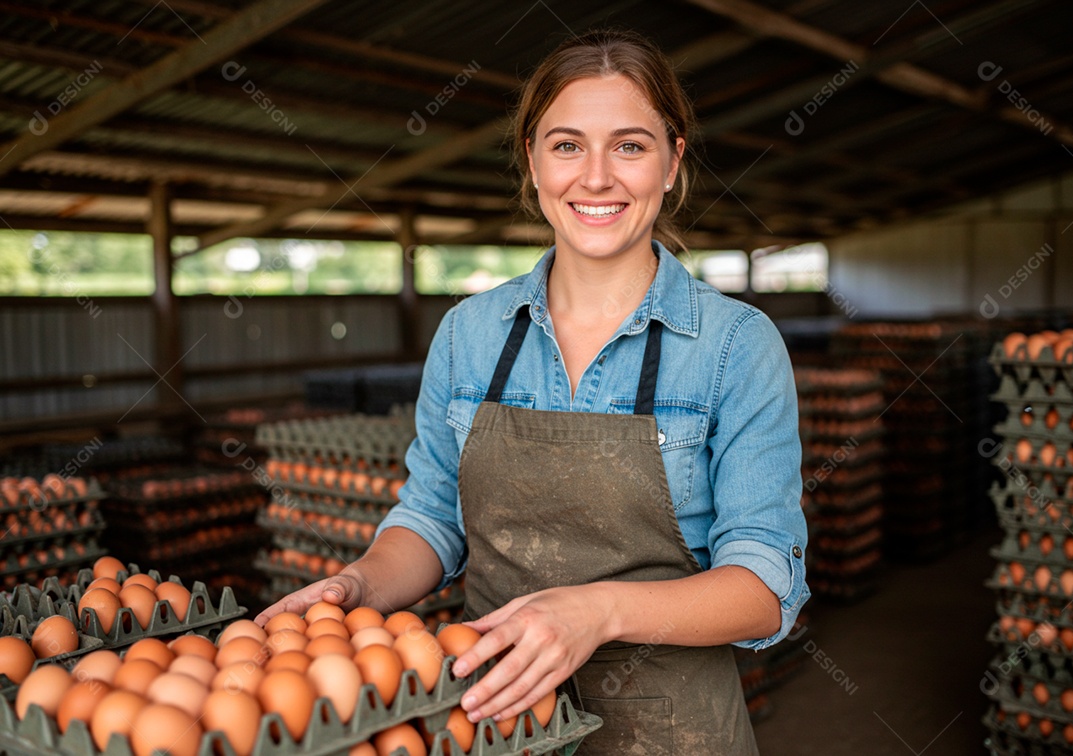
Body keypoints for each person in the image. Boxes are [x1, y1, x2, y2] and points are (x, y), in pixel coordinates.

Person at [257, 28, 809, 754]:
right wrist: (360, 585)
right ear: (533, 160)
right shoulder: (469, 333)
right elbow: (431, 519)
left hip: (675, 731)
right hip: (499, 720)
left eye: (630, 146)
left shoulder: (734, 344)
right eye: (568, 145)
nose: (597, 178)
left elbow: (764, 587)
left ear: (673, 161)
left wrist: (598, 613)